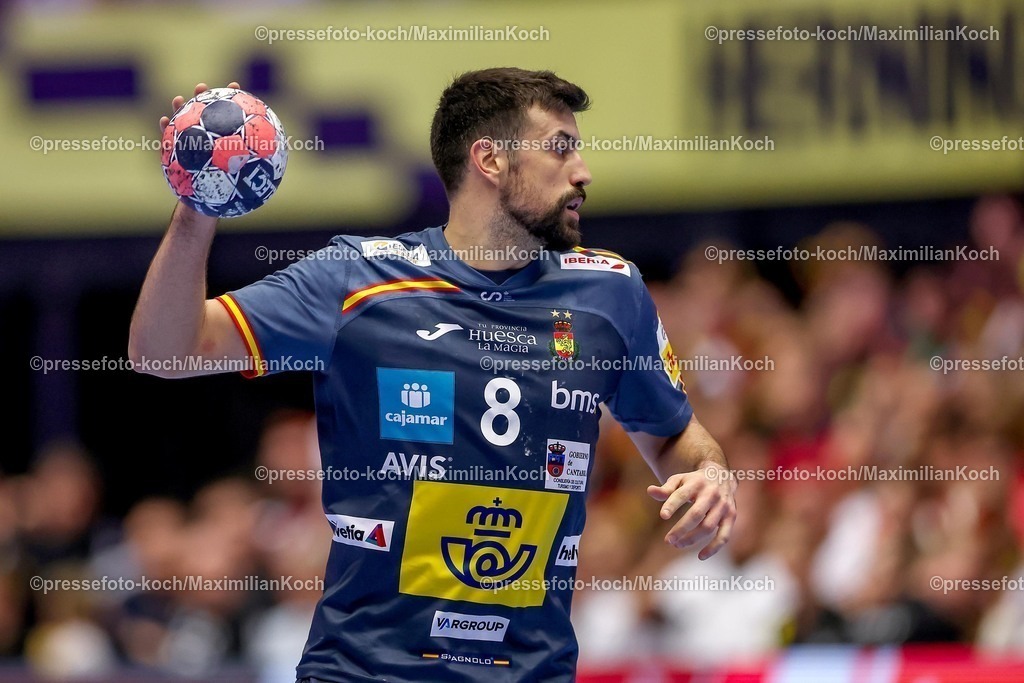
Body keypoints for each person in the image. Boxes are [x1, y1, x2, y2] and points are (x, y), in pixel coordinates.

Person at [129, 67, 737, 683]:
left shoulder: (611, 292)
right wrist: (197, 205)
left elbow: (672, 436)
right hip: (366, 672)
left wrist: (711, 473)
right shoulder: (357, 282)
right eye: (560, 147)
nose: (582, 172)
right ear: (490, 160)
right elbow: (164, 352)